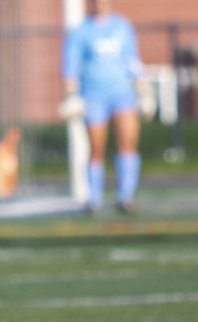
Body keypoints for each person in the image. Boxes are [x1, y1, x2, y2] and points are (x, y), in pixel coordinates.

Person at [60, 0, 149, 214]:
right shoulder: (80, 31)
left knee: (128, 143)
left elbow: (131, 59)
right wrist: (72, 95)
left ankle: (125, 197)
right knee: (96, 148)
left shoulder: (121, 26)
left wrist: (143, 90)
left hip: (122, 94)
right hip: (93, 95)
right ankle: (94, 199)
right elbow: (70, 66)